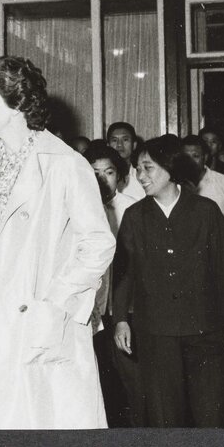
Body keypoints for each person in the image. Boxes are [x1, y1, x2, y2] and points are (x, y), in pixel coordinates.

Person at [0, 56, 114, 429]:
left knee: (43, 421)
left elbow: (98, 243)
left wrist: (54, 304)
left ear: (16, 105)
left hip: (42, 324)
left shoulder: (65, 164)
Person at [112, 134, 224, 427]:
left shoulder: (206, 212)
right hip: (156, 332)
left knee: (211, 412)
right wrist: (120, 318)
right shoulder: (135, 216)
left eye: (148, 168)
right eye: (137, 169)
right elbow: (124, 271)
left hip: (205, 330)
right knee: (164, 415)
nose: (140, 176)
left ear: (170, 169)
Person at [84, 141, 144, 427]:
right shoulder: (78, 210)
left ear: (119, 176)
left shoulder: (132, 209)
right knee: (98, 381)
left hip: (127, 310)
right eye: (93, 172)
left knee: (132, 379)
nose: (101, 179)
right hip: (91, 309)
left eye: (108, 172)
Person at [181, 135, 224, 227]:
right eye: (186, 157)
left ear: (205, 157)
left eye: (195, 156)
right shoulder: (175, 185)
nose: (190, 161)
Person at [106, 122, 145, 201]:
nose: (119, 144)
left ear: (134, 145)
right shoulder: (101, 177)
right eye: (114, 140)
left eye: (125, 140)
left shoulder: (142, 175)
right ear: (108, 145)